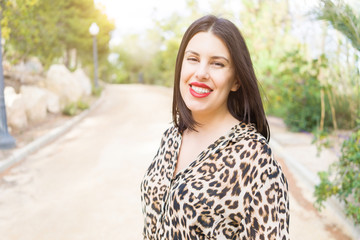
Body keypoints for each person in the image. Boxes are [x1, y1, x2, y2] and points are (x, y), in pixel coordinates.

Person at [140, 15, 289, 240]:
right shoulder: (172, 136)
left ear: (236, 81)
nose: (201, 73)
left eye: (217, 63)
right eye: (193, 59)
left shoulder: (256, 160)